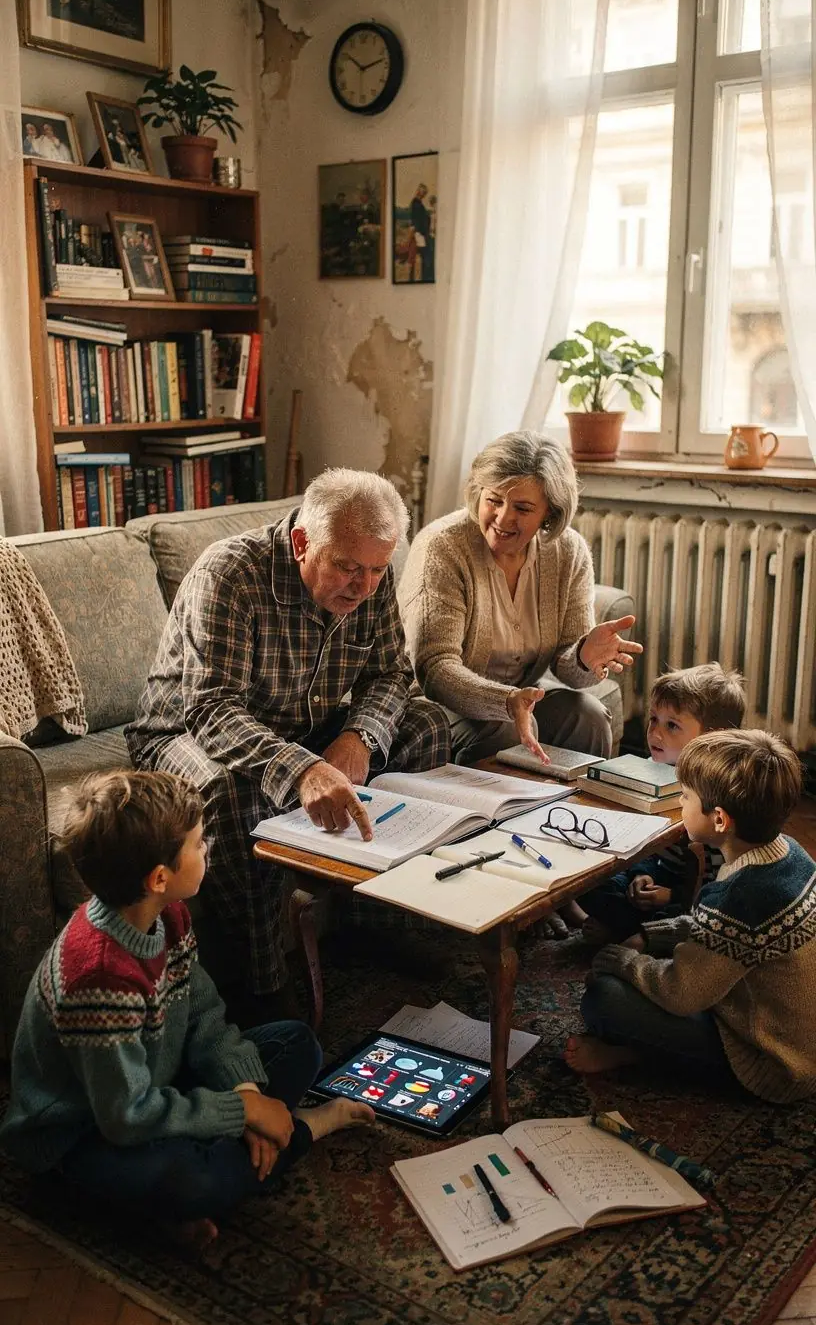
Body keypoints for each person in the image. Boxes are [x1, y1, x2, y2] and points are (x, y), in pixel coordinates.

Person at [126, 469, 450, 1021]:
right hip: (184, 732)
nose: (365, 585)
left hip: (302, 724)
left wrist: (358, 736)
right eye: (348, 567)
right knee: (229, 790)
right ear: (302, 542)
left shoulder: (370, 573)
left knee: (427, 725)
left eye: (377, 569)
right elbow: (210, 709)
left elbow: (392, 674)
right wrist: (303, 770)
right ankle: (262, 984)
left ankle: (375, 921)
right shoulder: (231, 574)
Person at [0, 771, 373, 1247]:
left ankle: (200, 1171)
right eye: (199, 843)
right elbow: (126, 1115)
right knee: (194, 1182)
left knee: (298, 1044)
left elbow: (204, 1017)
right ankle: (300, 1131)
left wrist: (246, 1097)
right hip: (83, 1132)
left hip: (158, 1084)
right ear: (160, 877)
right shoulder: (99, 977)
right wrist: (243, 1111)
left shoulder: (167, 914)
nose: (207, 848)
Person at [565, 729, 816, 1103]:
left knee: (603, 998)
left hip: (774, 1065)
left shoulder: (738, 897)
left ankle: (637, 1055)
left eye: (684, 796)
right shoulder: (792, 855)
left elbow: (680, 993)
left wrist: (621, 961)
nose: (680, 804)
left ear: (719, 820)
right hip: (797, 1040)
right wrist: (652, 935)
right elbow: (722, 935)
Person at [399, 430, 642, 766]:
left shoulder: (568, 552)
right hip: (436, 704)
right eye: (494, 500)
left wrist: (584, 656)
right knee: (507, 728)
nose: (502, 518)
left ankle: (574, 801)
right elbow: (435, 669)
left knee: (588, 717)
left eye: (523, 508)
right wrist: (505, 701)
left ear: (549, 513)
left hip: (517, 700)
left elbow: (569, 668)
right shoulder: (442, 547)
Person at [578, 662, 746, 944]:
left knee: (689, 918)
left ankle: (628, 932)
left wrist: (671, 896)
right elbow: (646, 846)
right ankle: (616, 922)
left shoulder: (719, 797)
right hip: (654, 869)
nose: (655, 733)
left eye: (672, 725)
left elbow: (719, 880)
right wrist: (641, 875)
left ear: (712, 737)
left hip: (690, 891)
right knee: (590, 880)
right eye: (653, 719)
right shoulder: (652, 768)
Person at [410, 183, 431, 281]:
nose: (423, 194)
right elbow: (417, 219)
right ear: (419, 192)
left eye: (424, 193)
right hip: (419, 233)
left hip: (420, 232)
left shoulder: (418, 203)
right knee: (423, 253)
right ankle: (422, 277)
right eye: (422, 192)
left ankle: (422, 276)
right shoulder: (416, 203)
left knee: (422, 254)